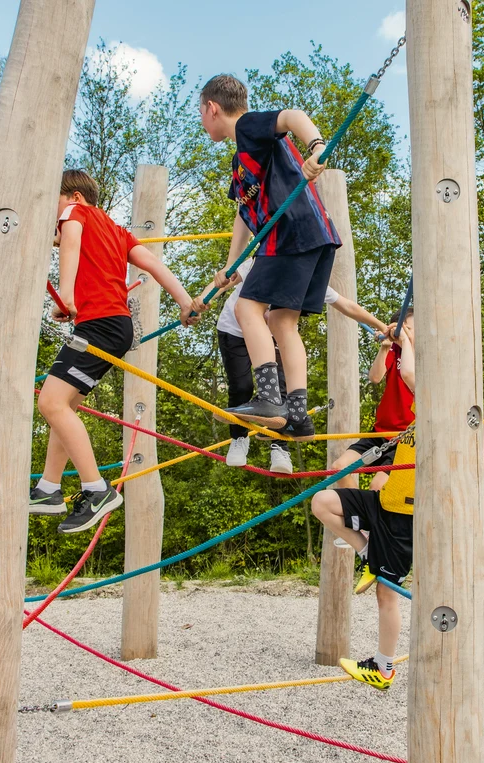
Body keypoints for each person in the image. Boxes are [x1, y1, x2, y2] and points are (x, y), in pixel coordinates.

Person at [29, 170, 205, 534]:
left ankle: (96, 490)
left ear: (74, 197)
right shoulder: (115, 229)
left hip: (100, 323)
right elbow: (154, 264)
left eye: (55, 204)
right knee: (64, 407)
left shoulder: (75, 216)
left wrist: (66, 296)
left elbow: (71, 235)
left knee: (51, 403)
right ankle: (48, 488)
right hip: (114, 325)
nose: (55, 216)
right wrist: (185, 301)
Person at [199, 73, 341, 440]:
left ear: (212, 108)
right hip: (313, 237)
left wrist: (317, 147)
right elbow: (243, 214)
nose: (202, 121)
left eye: (201, 113)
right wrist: (230, 266)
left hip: (290, 233)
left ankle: (268, 398)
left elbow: (292, 116)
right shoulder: (241, 162)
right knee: (281, 322)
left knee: (248, 309)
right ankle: (297, 416)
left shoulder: (248, 127)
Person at [210, 257, 387, 473]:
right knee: (242, 387)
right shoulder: (263, 262)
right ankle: (239, 438)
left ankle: (280, 446)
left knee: (283, 390)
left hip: (273, 335)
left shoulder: (305, 276)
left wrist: (381, 326)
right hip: (234, 331)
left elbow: (346, 305)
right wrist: (203, 299)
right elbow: (227, 278)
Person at [310, 375, 417, 690]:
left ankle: (383, 669)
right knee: (322, 502)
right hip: (382, 505)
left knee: (386, 594)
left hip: (404, 521)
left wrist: (404, 336)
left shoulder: (440, 426)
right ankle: (365, 549)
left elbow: (411, 373)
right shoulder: (411, 426)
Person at [331, 309, 415, 493]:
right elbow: (375, 377)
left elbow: (409, 374)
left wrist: (407, 341)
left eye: (411, 328)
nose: (407, 332)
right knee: (339, 468)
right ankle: (362, 517)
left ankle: (371, 517)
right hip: (381, 431)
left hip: (407, 438)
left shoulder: (424, 356)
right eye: (405, 328)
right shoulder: (394, 350)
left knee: (378, 486)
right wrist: (385, 347)